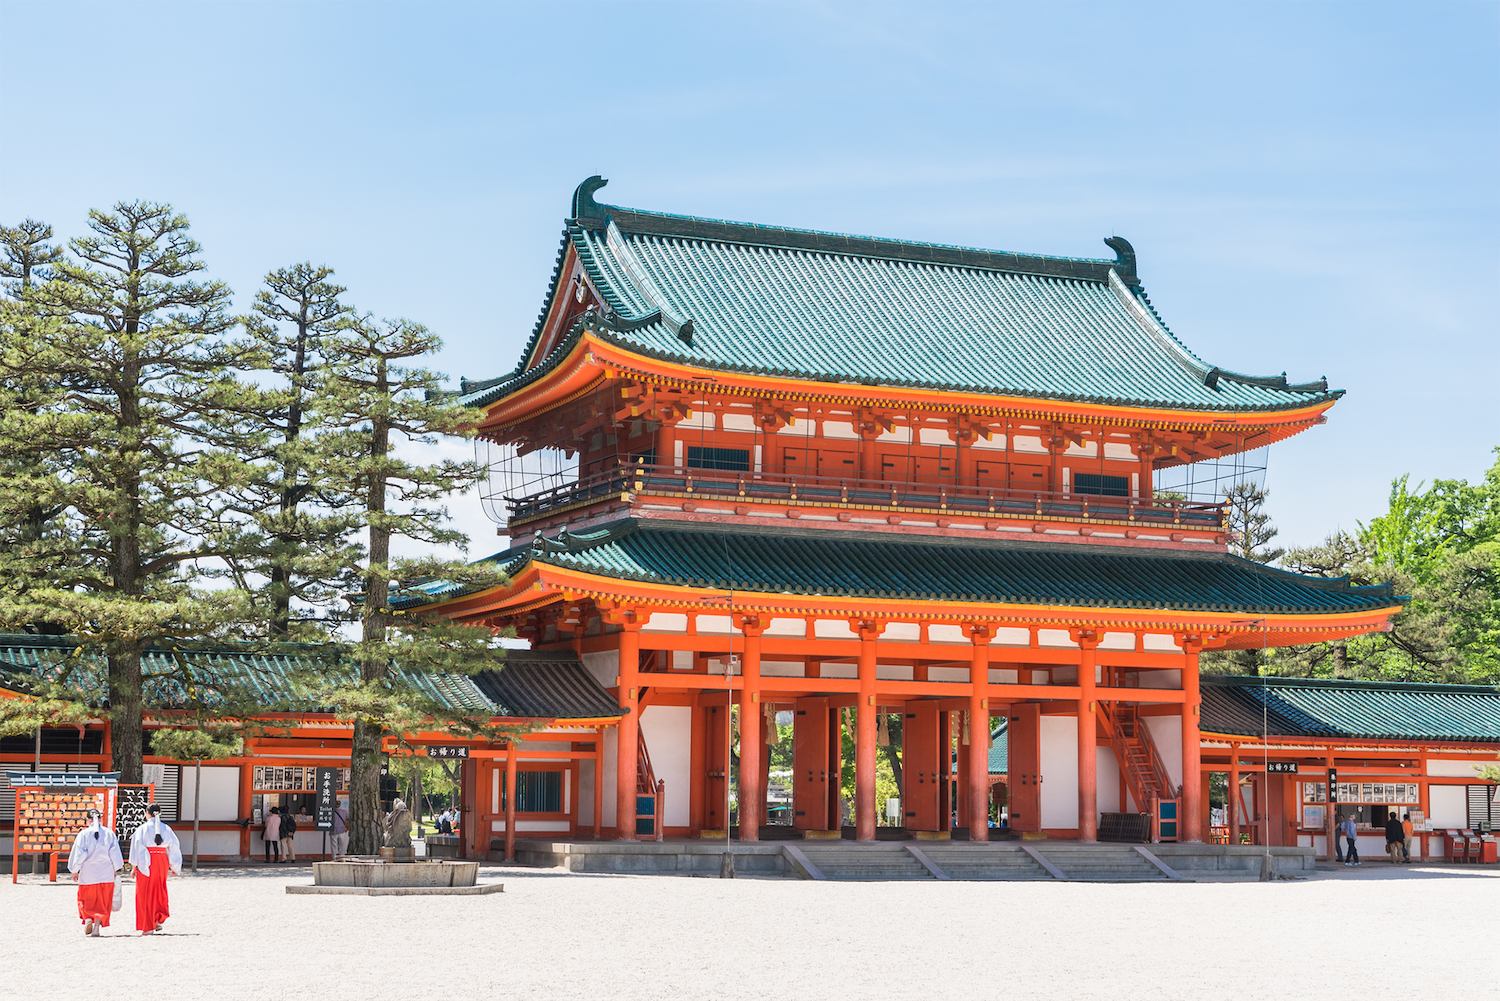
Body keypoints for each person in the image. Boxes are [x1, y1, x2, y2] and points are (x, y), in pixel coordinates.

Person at [68, 808, 123, 937]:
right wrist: (115, 868)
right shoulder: (109, 834)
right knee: (102, 902)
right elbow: (114, 855)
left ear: (88, 820)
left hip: (88, 873)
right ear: (101, 819)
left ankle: (88, 919)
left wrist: (75, 870)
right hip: (106, 873)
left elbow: (79, 854)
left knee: (85, 898)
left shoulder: (84, 834)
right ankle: (97, 928)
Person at [130, 803, 182, 935]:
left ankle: (147, 925)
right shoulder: (167, 828)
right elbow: (174, 847)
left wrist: (134, 867)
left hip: (145, 861)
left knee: (144, 892)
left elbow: (136, 848)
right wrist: (174, 865)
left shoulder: (142, 829)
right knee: (159, 890)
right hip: (161, 860)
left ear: (147, 813)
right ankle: (157, 919)